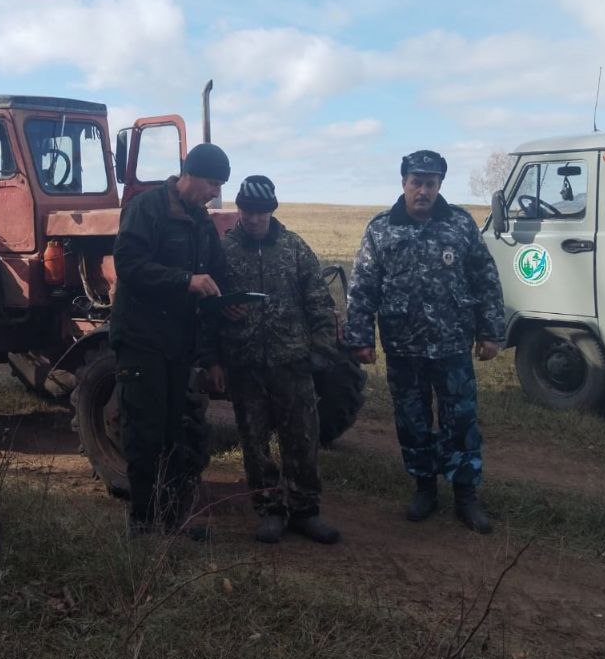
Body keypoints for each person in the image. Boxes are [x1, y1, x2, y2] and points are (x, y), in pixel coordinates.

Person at [345, 150, 505, 533]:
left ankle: (466, 496)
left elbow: (485, 278)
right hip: (404, 347)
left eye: (430, 184)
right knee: (413, 423)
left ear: (439, 187)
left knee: (461, 421)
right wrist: (360, 338)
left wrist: (490, 331)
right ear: (403, 183)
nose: (423, 190)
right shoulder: (381, 229)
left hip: (452, 345)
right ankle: (424, 489)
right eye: (416, 182)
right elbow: (363, 287)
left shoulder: (460, 224)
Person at [207, 176, 342, 545]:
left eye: (260, 212)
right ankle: (269, 510)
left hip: (292, 362)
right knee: (254, 441)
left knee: (301, 437)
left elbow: (318, 300)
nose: (252, 219)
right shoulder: (224, 251)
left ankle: (305, 510)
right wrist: (217, 349)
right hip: (245, 364)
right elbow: (209, 308)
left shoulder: (294, 248)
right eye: (247, 211)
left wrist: (321, 352)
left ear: (271, 211)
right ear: (240, 210)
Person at [110, 142, 230, 537]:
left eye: (219, 187)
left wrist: (231, 301)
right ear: (190, 174)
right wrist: (184, 281)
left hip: (180, 343)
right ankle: (143, 523)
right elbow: (129, 266)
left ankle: (172, 518)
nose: (215, 193)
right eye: (212, 183)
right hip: (142, 338)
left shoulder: (200, 221)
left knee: (176, 431)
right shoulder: (147, 209)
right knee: (145, 432)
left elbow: (216, 270)